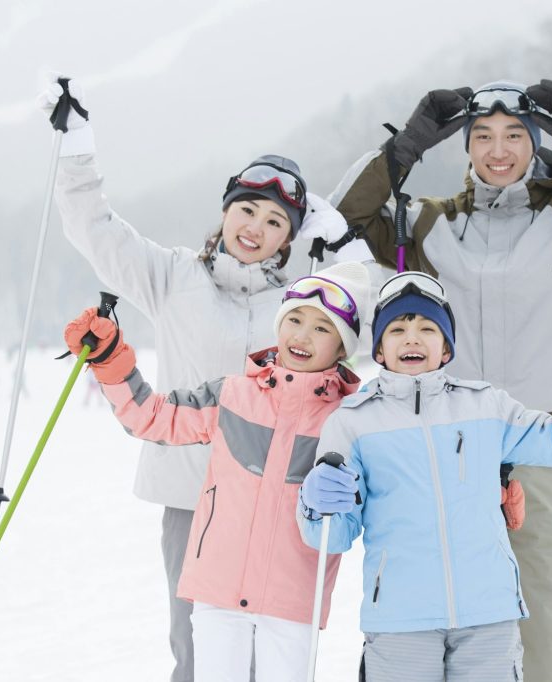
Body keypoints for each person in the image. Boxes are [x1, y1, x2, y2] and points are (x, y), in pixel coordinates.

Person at [327, 79, 552, 681]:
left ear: (536, 141)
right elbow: (340, 220)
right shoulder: (425, 225)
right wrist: (408, 147)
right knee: (446, 630)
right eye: (484, 136)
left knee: (548, 628)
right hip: (442, 448)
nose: (500, 150)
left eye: (516, 135)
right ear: (464, 146)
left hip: (546, 442)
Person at [36, 75, 371, 681]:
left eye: (276, 221)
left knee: (274, 657)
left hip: (280, 504)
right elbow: (95, 228)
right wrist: (76, 148)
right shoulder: (173, 278)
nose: (256, 227)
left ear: (291, 237)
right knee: (196, 654)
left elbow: (378, 338)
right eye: (247, 209)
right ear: (225, 212)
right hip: (194, 498)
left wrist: (346, 244)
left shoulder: (304, 307)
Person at [297, 272, 552, 681]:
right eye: (397, 329)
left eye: (427, 328)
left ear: (446, 350)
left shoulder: (485, 407)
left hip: (488, 616)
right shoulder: (353, 423)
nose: (412, 338)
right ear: (380, 350)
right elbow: (332, 537)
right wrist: (315, 505)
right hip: (400, 619)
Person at [63, 262, 370, 681]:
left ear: (342, 347)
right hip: (218, 592)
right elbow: (152, 417)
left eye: (321, 328)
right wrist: (112, 361)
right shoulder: (232, 395)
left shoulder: (346, 421)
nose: (301, 335)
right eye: (294, 319)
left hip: (295, 599)